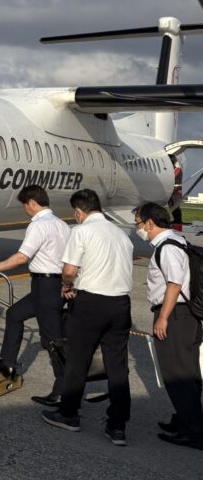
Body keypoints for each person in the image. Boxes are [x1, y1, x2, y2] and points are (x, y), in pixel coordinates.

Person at [41, 189, 133, 446]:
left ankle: (68, 414)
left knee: (78, 361)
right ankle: (117, 427)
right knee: (117, 367)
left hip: (91, 302)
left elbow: (69, 270)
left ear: (79, 211)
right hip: (120, 304)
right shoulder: (120, 233)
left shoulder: (81, 231)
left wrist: (67, 285)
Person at [0, 184, 69, 400]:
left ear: (32, 203)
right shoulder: (62, 224)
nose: (25, 209)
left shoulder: (39, 225)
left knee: (53, 340)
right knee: (15, 314)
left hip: (47, 286)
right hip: (51, 285)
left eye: (25, 205)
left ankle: (63, 391)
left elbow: (21, 257)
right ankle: (8, 363)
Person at [136, 201, 203, 449]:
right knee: (188, 372)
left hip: (176, 315)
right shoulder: (177, 241)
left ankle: (193, 432)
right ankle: (186, 421)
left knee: (178, 375)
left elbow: (174, 284)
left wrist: (163, 317)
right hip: (185, 315)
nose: (139, 229)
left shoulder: (167, 248)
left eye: (139, 224)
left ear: (150, 223)